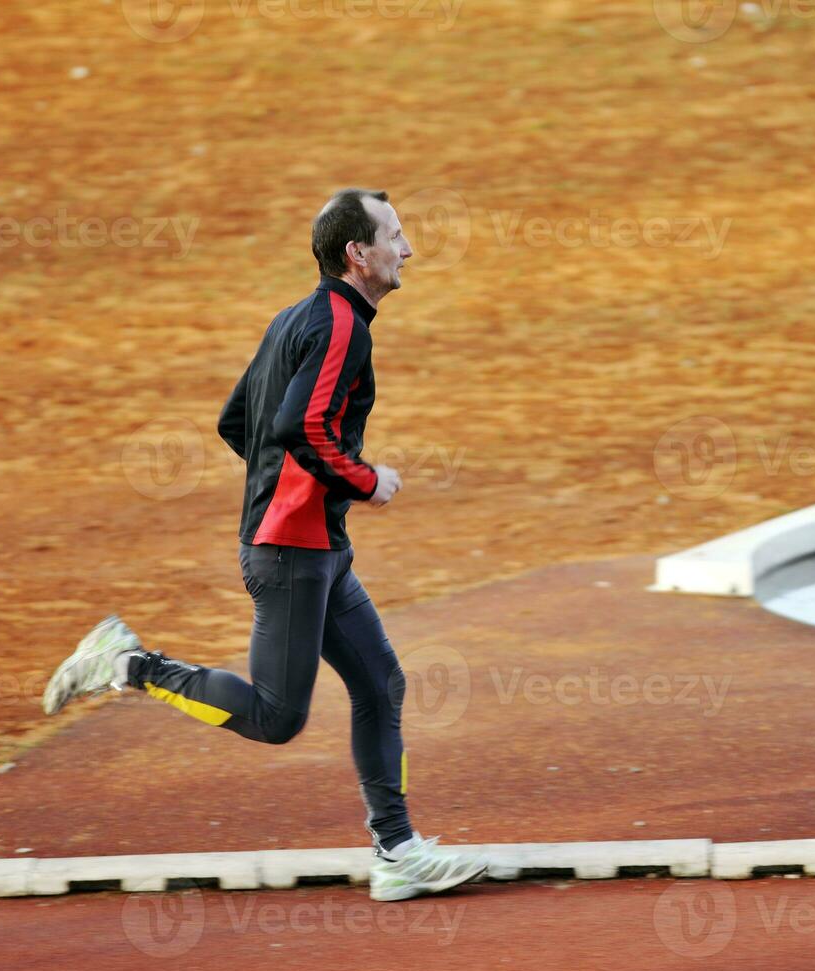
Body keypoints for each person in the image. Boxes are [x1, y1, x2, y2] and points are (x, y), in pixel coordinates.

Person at [41, 188, 487, 902]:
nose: (408, 251)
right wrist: (363, 480)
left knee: (381, 684)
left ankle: (397, 851)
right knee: (278, 716)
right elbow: (297, 429)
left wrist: (295, 492)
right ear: (358, 254)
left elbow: (235, 421)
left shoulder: (293, 321)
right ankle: (125, 665)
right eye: (396, 237)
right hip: (291, 553)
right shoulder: (342, 327)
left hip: (312, 546)